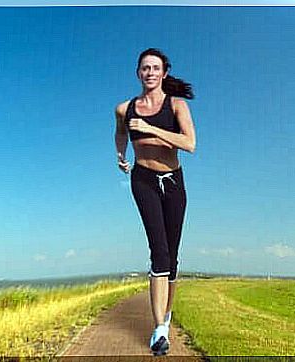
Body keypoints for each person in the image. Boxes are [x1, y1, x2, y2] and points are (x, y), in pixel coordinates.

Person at [114, 48, 196, 356]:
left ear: (163, 73)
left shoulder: (177, 105)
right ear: (138, 73)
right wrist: (121, 155)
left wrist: (150, 129)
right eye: (144, 68)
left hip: (173, 182)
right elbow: (119, 133)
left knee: (172, 257)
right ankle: (159, 328)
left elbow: (190, 144)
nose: (149, 72)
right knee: (159, 252)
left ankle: (167, 313)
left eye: (155, 68)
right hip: (143, 180)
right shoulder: (125, 108)